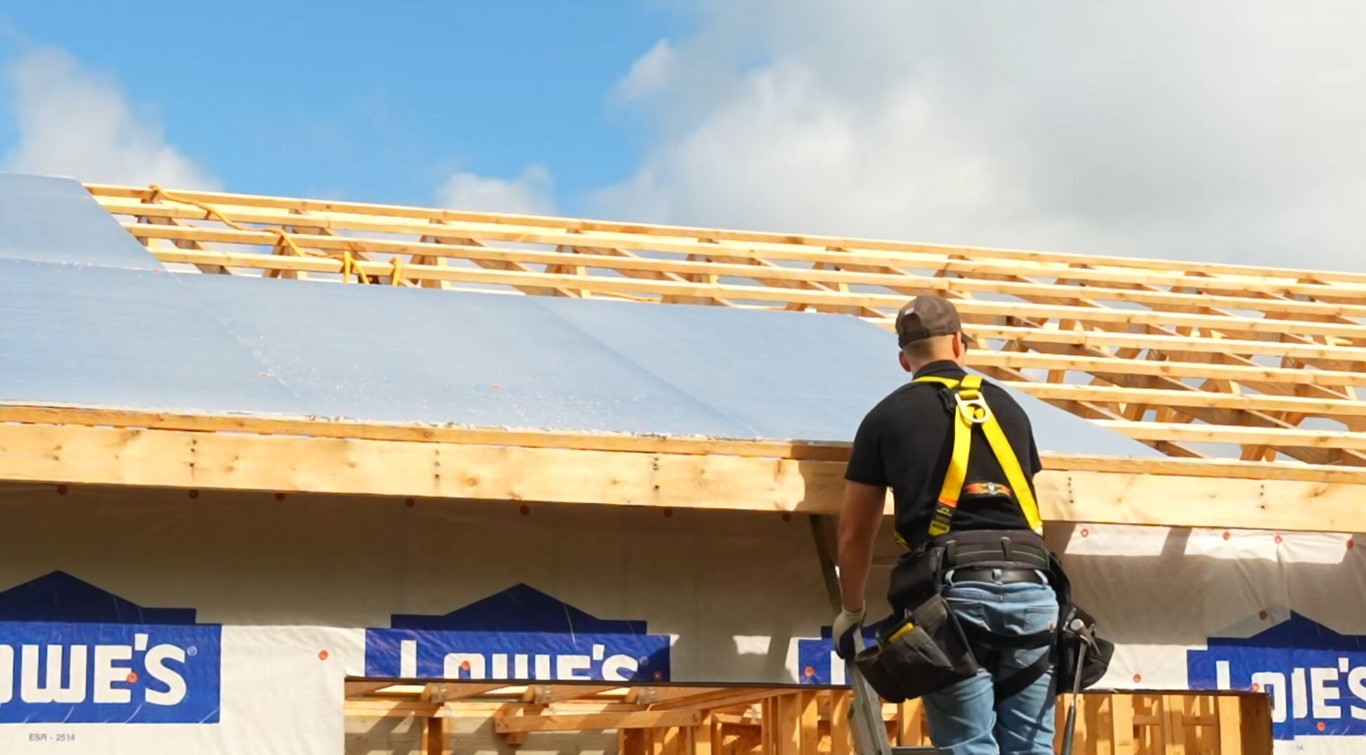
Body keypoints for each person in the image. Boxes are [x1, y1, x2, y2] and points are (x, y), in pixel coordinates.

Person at [832, 294, 1059, 755]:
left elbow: (855, 532)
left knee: (970, 747)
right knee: (1032, 749)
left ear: (903, 359)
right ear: (960, 344)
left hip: (952, 599)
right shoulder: (1010, 409)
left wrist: (851, 612)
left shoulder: (886, 417)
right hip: (1034, 587)